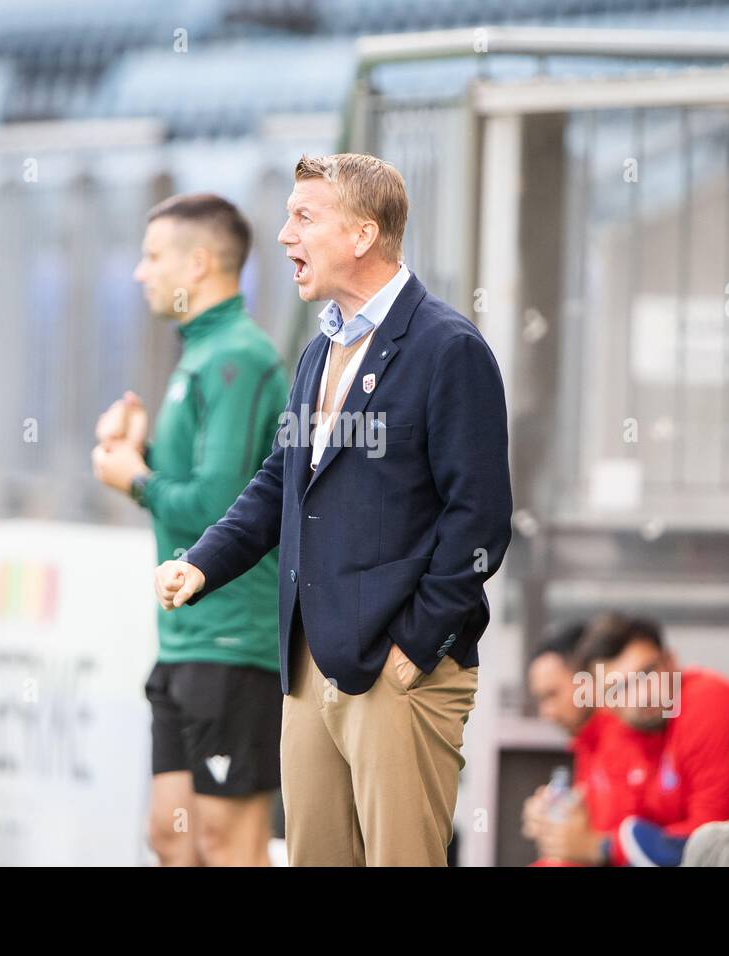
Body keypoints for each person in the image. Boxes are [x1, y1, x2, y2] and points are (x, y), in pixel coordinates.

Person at [153, 152, 513, 866]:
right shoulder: (321, 349)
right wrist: (202, 564)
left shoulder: (449, 348)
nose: (285, 235)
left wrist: (417, 649)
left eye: (304, 217)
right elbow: (281, 480)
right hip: (308, 662)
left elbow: (480, 519)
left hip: (398, 666)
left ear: (362, 235)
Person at [92, 193, 289, 867]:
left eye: (152, 257)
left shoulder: (237, 356)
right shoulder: (201, 354)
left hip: (234, 641)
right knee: (172, 838)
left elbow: (223, 507)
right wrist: (139, 461)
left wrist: (133, 479)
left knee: (226, 846)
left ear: (199, 263)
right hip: (184, 640)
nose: (141, 272)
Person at [544, 614, 729, 866]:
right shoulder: (626, 728)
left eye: (646, 674)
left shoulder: (708, 705)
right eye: (618, 689)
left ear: (671, 661)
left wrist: (600, 847)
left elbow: (706, 844)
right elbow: (628, 826)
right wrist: (567, 824)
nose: (642, 695)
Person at [522, 621, 663, 865]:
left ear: (587, 679)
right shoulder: (589, 743)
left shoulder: (629, 733)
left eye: (552, 695)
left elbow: (638, 844)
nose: (546, 712)